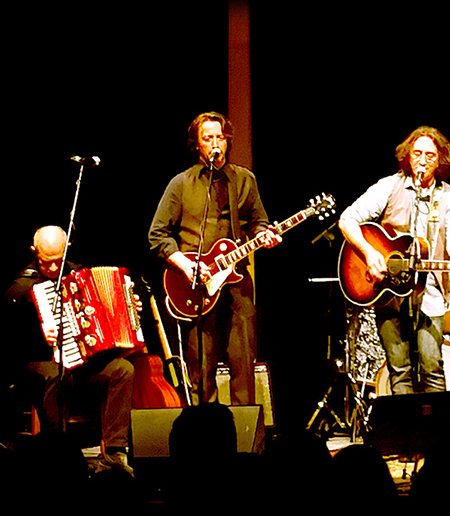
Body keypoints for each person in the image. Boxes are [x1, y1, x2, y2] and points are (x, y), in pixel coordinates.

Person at [148, 111, 281, 405]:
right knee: (202, 367)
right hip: (196, 284)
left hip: (236, 280)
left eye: (219, 136)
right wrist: (185, 263)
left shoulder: (244, 179)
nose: (215, 143)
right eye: (208, 138)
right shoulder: (181, 184)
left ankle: (248, 443)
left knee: (243, 362)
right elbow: (157, 234)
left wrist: (265, 235)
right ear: (197, 144)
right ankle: (204, 438)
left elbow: (258, 221)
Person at [338, 126, 450, 394]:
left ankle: (438, 434)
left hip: (430, 290)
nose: (422, 160)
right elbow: (347, 219)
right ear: (408, 156)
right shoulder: (389, 186)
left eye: (430, 156)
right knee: (399, 369)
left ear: (440, 161)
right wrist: (369, 252)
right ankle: (407, 435)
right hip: (388, 289)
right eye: (417, 153)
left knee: (432, 365)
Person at [4, 225, 137, 474]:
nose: (54, 268)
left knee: (122, 370)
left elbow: (106, 311)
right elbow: (10, 326)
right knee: (57, 374)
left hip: (81, 364)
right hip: (39, 363)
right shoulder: (24, 283)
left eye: (58, 261)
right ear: (35, 252)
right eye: (47, 262)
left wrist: (129, 309)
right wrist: (38, 324)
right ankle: (59, 454)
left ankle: (115, 453)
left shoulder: (79, 275)